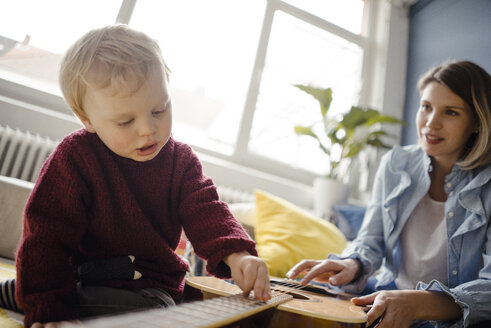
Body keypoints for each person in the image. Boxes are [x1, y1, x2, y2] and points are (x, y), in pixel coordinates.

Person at [9, 24, 271, 328]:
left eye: (159, 110)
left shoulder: (181, 161)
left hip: (153, 289)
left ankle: (16, 294)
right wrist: (47, 307)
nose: (148, 129)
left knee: (163, 308)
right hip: (83, 278)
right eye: (125, 121)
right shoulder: (74, 156)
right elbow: (45, 238)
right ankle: (24, 294)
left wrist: (238, 255)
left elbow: (207, 211)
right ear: (87, 119)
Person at [286, 60, 491, 328]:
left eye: (450, 112)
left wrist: (417, 302)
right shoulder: (396, 165)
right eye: (426, 107)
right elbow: (371, 240)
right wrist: (351, 263)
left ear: (477, 122)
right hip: (386, 299)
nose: (431, 123)